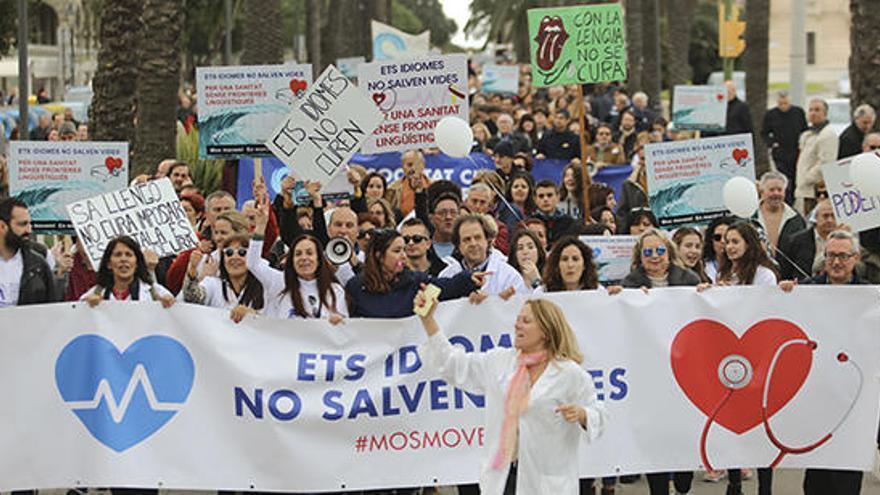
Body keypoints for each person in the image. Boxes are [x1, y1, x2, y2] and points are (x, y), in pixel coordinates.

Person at [414, 292, 608, 495]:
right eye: (517, 320)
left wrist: (583, 414)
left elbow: (599, 412)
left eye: (526, 321)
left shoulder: (568, 373)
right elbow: (453, 363)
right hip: (504, 478)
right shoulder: (500, 362)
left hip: (545, 483)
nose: (517, 326)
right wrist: (428, 320)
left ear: (546, 331)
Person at [345, 228, 479, 318]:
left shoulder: (414, 281)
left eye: (404, 250)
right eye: (397, 251)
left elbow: (449, 287)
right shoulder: (356, 286)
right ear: (379, 256)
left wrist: (469, 279)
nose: (404, 256)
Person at [439, 214, 527, 297]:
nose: (473, 243)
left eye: (477, 237)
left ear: (488, 240)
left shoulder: (509, 276)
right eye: (467, 239)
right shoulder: (446, 275)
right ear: (458, 246)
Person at [183, 234, 265, 322]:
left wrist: (252, 314)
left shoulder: (265, 288)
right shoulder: (213, 284)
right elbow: (192, 298)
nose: (235, 257)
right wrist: (192, 269)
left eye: (242, 252)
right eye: (229, 253)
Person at [80, 236, 174, 307]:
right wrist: (86, 306)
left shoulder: (157, 293)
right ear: (108, 263)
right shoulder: (93, 294)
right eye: (118, 255)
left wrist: (168, 304)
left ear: (137, 263)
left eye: (128, 255)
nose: (123, 259)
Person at [0, 198, 57, 307]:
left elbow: (51, 309)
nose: (29, 230)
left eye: (29, 224)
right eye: (22, 224)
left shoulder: (38, 265)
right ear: (2, 226)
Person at [761, 91, 808, 203]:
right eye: (781, 103)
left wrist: (803, 144)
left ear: (790, 102)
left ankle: (793, 199)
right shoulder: (771, 114)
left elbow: (804, 130)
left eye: (785, 103)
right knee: (784, 177)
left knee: (795, 177)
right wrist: (772, 143)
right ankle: (786, 200)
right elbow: (764, 132)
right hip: (780, 152)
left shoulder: (798, 112)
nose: (783, 106)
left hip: (796, 151)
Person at [795, 98, 839, 216]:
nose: (813, 113)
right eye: (810, 110)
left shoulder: (827, 134)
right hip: (807, 190)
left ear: (825, 113)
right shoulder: (808, 133)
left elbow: (826, 163)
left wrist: (807, 178)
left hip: (817, 191)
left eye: (817, 110)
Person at [777, 199, 840, 280]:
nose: (830, 220)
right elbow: (784, 271)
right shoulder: (795, 241)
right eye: (825, 216)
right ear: (815, 218)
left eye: (833, 216)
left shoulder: (845, 241)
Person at [621, 228, 700, 289]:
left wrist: (705, 292)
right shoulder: (629, 284)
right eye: (648, 251)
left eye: (660, 251)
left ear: (669, 253)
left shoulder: (690, 279)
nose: (654, 256)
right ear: (640, 256)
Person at [754, 171, 806, 255]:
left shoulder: (796, 219)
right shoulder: (750, 217)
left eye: (779, 190)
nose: (776, 193)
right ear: (762, 191)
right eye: (771, 190)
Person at [716, 222, 779, 287]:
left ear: (748, 244)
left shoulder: (764, 275)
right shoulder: (722, 274)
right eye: (727, 242)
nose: (729, 247)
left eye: (735, 242)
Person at [536, 236, 602, 293]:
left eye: (575, 259)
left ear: (584, 265)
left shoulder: (598, 291)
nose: (570, 265)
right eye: (564, 259)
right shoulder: (542, 292)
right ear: (557, 265)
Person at [615, 138, 650, 233]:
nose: (646, 162)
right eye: (643, 159)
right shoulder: (629, 184)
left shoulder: (666, 184)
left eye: (649, 158)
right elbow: (621, 214)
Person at [386, 150, 431, 217]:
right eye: (409, 165)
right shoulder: (392, 190)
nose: (413, 168)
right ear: (403, 167)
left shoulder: (434, 187)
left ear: (423, 165)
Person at [533, 179, 579, 244]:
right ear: (535, 200)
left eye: (549, 195)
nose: (545, 199)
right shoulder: (530, 222)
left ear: (558, 197)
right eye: (541, 196)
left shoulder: (569, 222)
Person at [498, 172, 535, 236]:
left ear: (529, 191)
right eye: (516, 187)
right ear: (510, 190)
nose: (519, 189)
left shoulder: (534, 213)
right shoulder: (502, 210)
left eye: (523, 187)